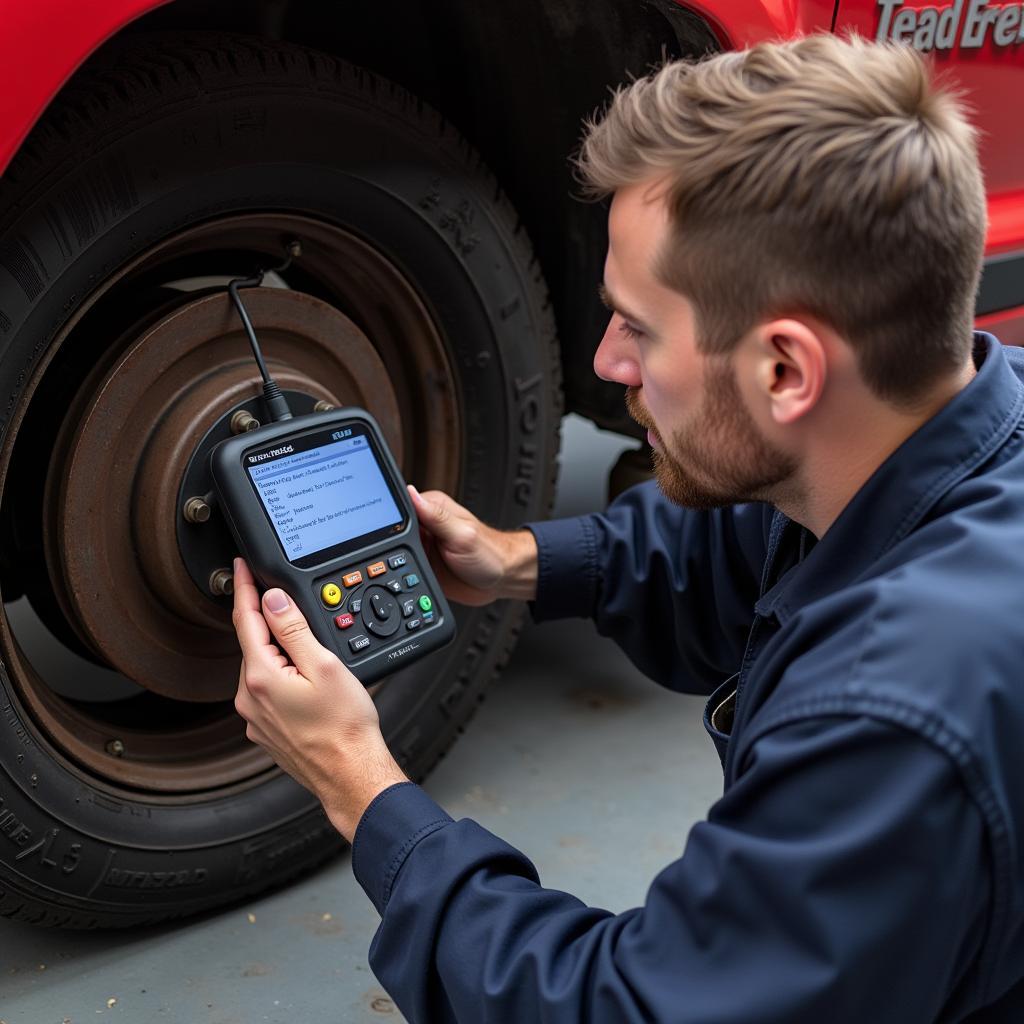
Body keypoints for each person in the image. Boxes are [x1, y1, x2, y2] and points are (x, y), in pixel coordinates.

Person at [230, 34, 1024, 1022]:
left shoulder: (894, 714)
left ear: (785, 370)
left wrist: (361, 786)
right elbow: (764, 543)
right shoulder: (960, 428)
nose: (606, 361)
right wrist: (523, 560)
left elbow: (630, 1008)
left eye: (638, 326)